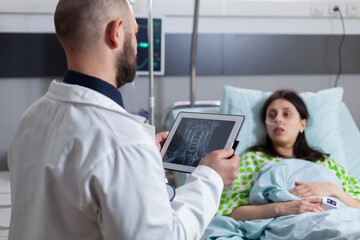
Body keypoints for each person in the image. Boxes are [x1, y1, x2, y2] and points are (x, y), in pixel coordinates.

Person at [7, 0, 240, 239]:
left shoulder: (31, 117)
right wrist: (211, 178)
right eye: (135, 34)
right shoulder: (122, 140)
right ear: (116, 32)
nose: (137, 47)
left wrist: (146, 159)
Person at [217, 90, 360, 221]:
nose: (278, 119)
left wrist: (332, 189)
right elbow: (230, 213)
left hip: (336, 221)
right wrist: (284, 208)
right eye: (271, 115)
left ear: (302, 124)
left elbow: (357, 206)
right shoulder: (253, 159)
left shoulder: (325, 162)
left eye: (286, 114)